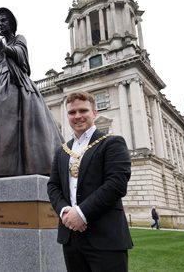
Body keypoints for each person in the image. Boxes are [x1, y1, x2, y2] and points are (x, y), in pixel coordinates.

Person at [0, 7, 63, 179]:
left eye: (3, 21)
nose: (0, 24)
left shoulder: (19, 39)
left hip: (16, 85)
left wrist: (4, 49)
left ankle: (23, 165)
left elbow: (21, 56)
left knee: (16, 126)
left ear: (11, 23)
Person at [47, 91, 133, 272]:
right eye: (72, 112)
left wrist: (81, 213)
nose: (77, 116)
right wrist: (65, 212)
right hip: (70, 237)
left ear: (94, 113)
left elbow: (116, 184)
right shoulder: (62, 150)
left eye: (83, 111)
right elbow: (53, 186)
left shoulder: (112, 142)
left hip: (105, 236)